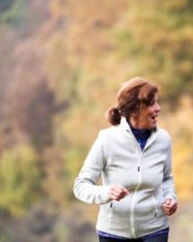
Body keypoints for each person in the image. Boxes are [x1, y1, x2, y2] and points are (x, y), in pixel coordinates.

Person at [74, 77, 178, 242]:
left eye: (157, 102)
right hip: (113, 233)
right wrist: (106, 192)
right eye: (152, 104)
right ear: (135, 109)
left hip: (155, 229)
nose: (158, 108)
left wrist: (170, 198)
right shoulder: (106, 140)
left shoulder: (163, 140)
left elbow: (166, 179)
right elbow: (81, 185)